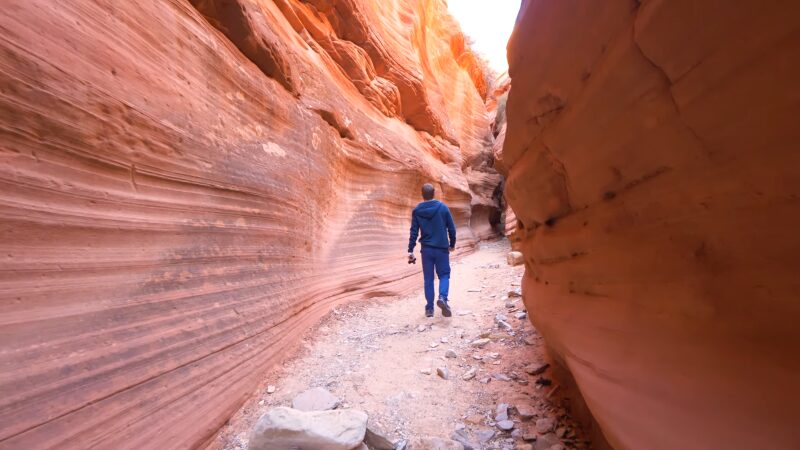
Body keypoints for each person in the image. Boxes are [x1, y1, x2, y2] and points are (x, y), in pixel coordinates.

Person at [407, 183, 456, 317]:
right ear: (434, 193)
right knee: (444, 275)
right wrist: (452, 244)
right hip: (441, 249)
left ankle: (429, 309)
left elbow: (414, 232)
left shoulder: (417, 211)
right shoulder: (443, 208)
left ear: (422, 195)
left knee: (428, 279)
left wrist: (410, 250)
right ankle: (443, 298)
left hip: (426, 250)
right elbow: (451, 228)